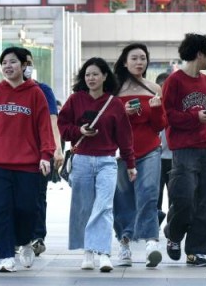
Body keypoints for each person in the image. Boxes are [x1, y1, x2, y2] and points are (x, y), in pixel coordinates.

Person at [0, 46, 55, 273]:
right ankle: (6, 256)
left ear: (24, 66)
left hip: (27, 166)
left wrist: (46, 154)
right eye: (4, 62)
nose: (8, 66)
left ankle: (25, 241)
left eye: (13, 62)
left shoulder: (35, 93)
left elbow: (44, 127)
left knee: (26, 209)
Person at [58, 57, 135, 272]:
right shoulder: (75, 100)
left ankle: (103, 253)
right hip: (81, 159)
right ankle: (88, 253)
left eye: (95, 74)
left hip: (107, 161)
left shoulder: (114, 103)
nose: (91, 78)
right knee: (84, 207)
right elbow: (63, 126)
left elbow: (125, 136)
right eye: (87, 75)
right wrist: (79, 131)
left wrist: (130, 163)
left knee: (105, 206)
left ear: (104, 76)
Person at [161, 33, 206, 268]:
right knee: (184, 198)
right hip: (184, 150)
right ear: (199, 54)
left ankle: (196, 251)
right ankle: (174, 233)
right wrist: (195, 117)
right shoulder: (174, 81)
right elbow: (167, 116)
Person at [112, 43, 166, 268]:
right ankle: (124, 243)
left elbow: (160, 125)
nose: (139, 62)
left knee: (149, 194)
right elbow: (108, 123)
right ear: (125, 62)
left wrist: (155, 109)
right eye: (134, 58)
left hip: (150, 149)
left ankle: (151, 242)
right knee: (123, 198)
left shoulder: (155, 88)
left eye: (143, 58)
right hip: (120, 153)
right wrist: (121, 113)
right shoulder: (114, 90)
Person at [23, 50, 65, 256]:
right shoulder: (0, 92)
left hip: (39, 153)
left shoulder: (42, 90)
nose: (25, 67)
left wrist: (57, 148)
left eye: (28, 63)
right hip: (10, 155)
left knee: (38, 196)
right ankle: (17, 235)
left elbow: (52, 120)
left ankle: (38, 236)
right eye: (21, 62)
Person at [155, 72, 172, 226]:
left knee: (175, 195)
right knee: (156, 194)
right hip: (155, 158)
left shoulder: (176, 105)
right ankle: (155, 224)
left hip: (175, 158)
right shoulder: (152, 105)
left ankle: (173, 225)